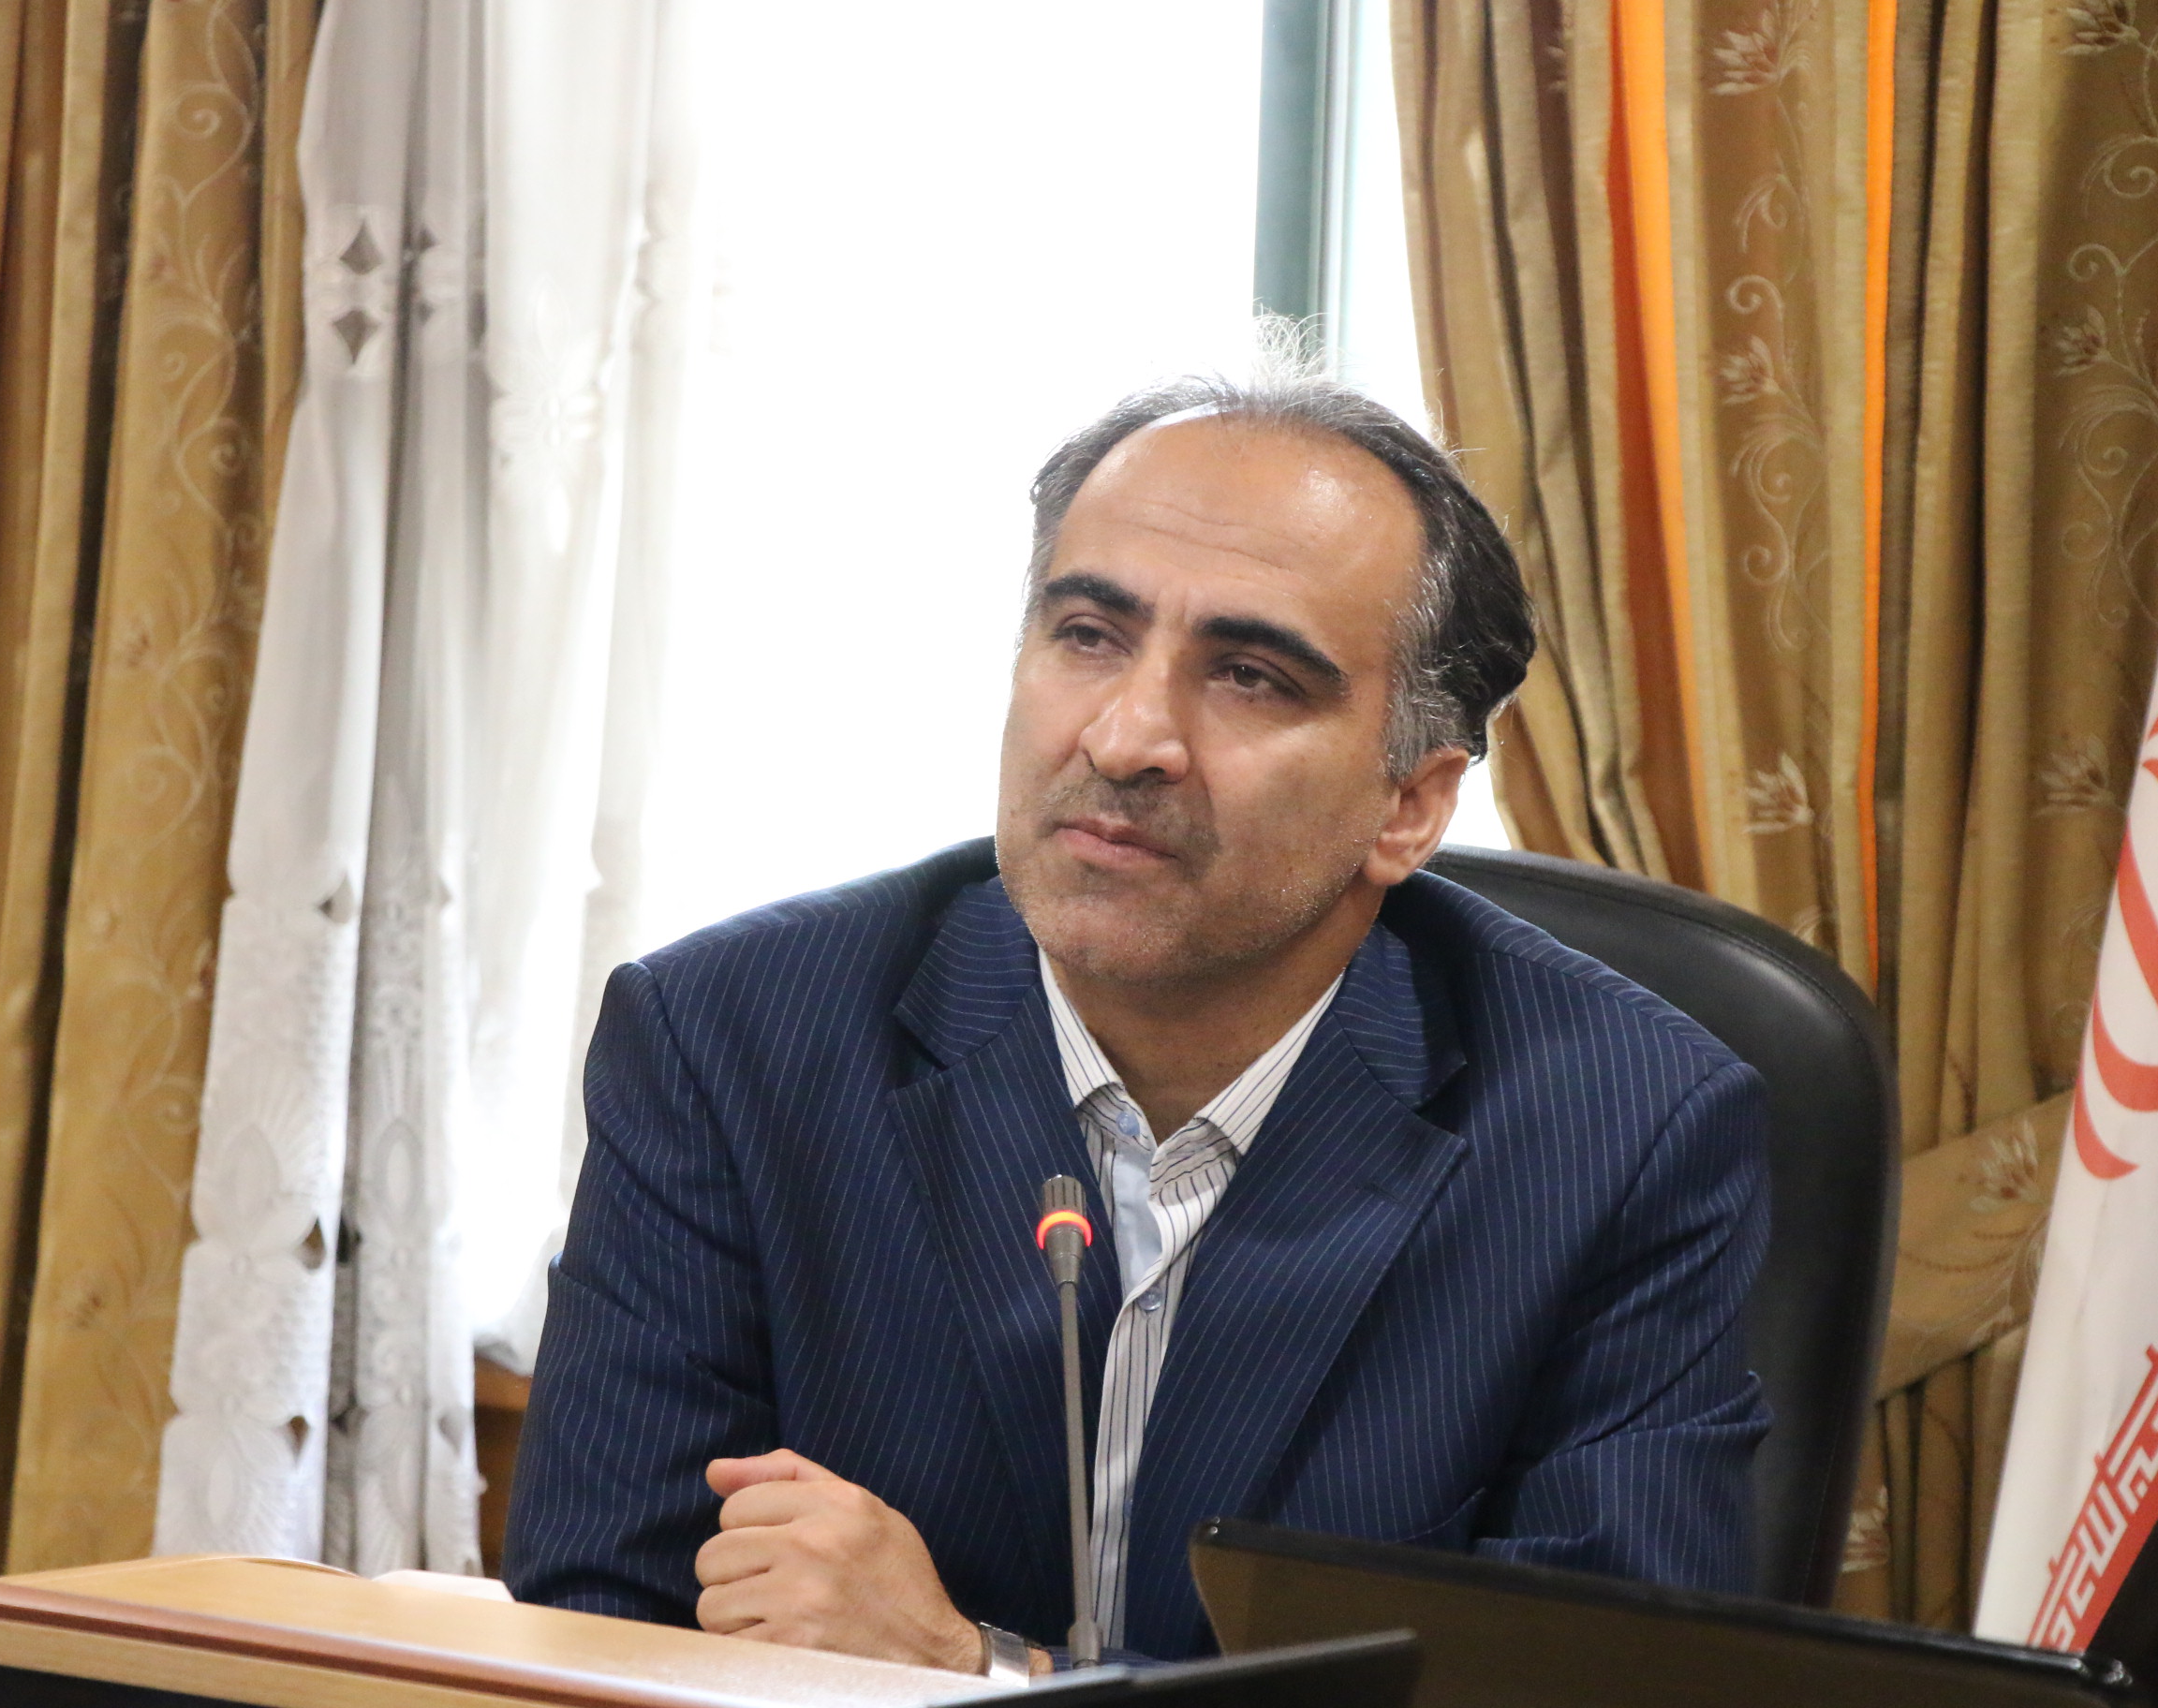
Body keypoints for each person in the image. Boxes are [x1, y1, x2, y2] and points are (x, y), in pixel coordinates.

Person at [502, 368, 1770, 1674]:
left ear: (1409, 806)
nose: (1124, 739)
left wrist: (982, 1680)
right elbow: (599, 1621)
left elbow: (1595, 1693)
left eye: (1252, 677)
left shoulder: (1623, 1132)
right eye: (1088, 636)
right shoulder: (729, 1040)